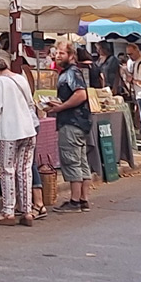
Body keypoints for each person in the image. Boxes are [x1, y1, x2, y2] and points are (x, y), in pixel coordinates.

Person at [0, 56, 39, 226]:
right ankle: (27, 211)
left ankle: (8, 210)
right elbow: (30, 102)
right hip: (28, 129)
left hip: (9, 131)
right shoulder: (20, 78)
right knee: (25, 170)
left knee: (7, 170)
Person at [47, 46, 96, 211]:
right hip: (78, 122)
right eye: (56, 53)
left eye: (62, 53)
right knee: (81, 161)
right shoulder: (69, 72)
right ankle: (83, 199)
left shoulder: (71, 72)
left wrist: (61, 107)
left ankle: (75, 201)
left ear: (71, 55)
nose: (57, 56)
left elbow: (81, 94)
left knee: (71, 160)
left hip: (72, 122)